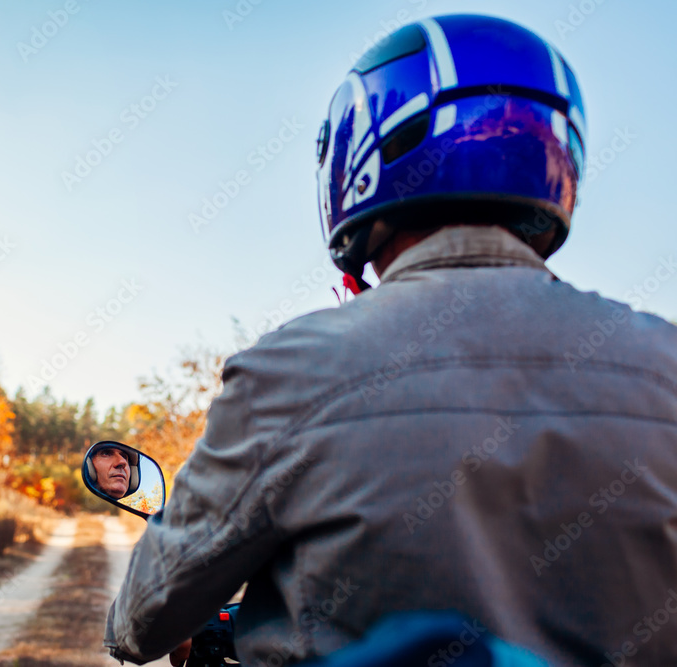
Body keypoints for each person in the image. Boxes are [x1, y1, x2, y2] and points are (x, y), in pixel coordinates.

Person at [104, 13, 677, 667]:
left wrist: (140, 622)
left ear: (360, 158)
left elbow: (146, 619)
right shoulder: (665, 364)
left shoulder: (293, 370)